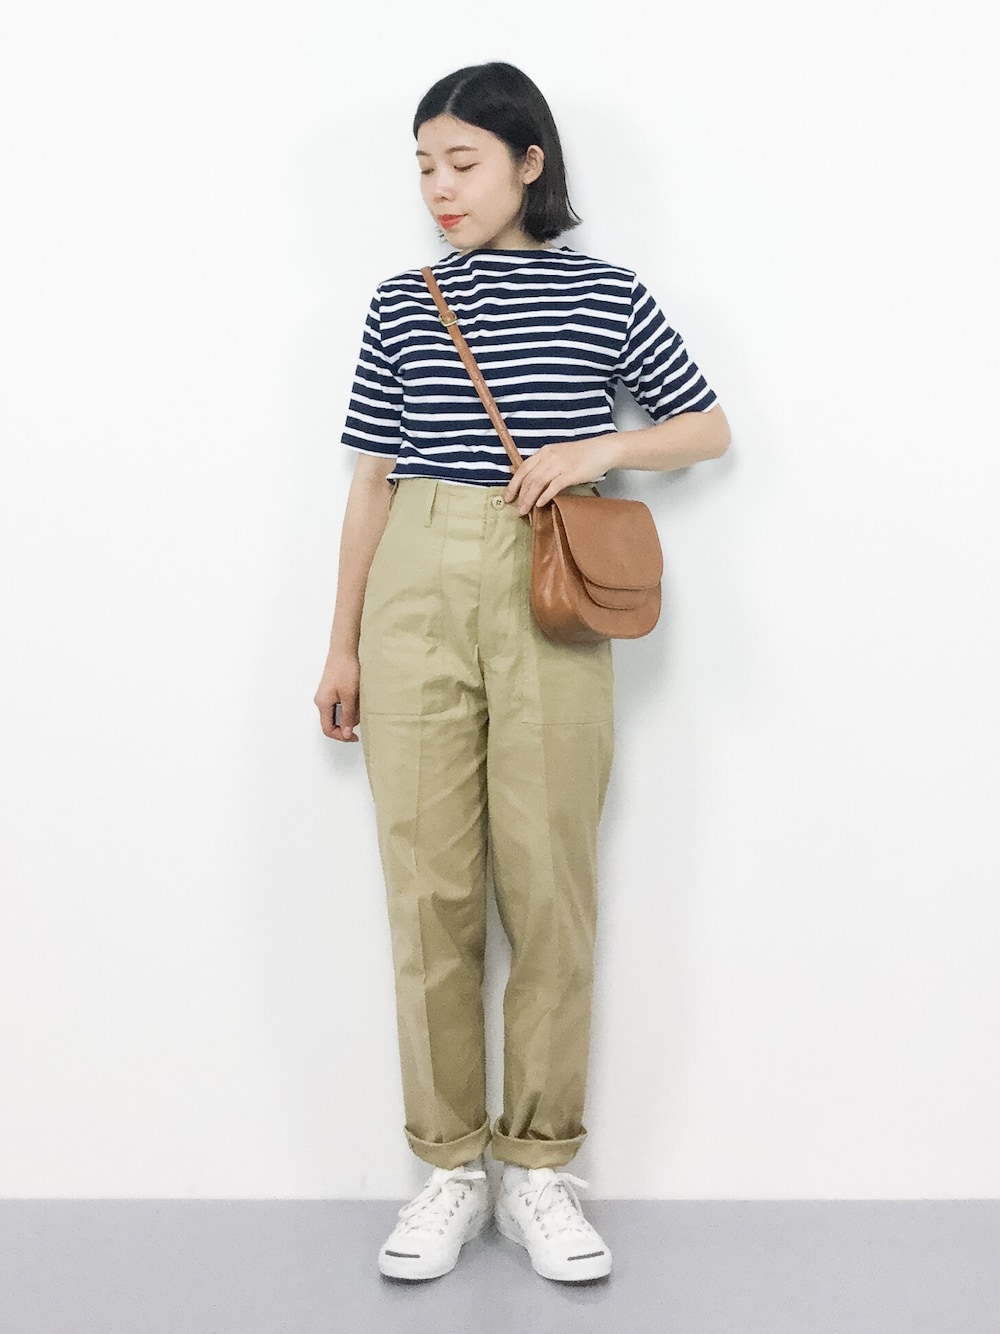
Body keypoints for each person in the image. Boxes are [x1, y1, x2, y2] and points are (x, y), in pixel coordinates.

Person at [314, 60, 731, 1284]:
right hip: (414, 577)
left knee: (550, 885)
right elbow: (370, 482)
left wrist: (592, 448)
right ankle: (448, 1165)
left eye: (462, 161)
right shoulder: (403, 303)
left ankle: (539, 1166)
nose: (439, 188)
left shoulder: (605, 292)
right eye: (423, 167)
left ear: (528, 162)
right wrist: (341, 639)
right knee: (427, 888)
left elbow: (706, 424)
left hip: (549, 580)